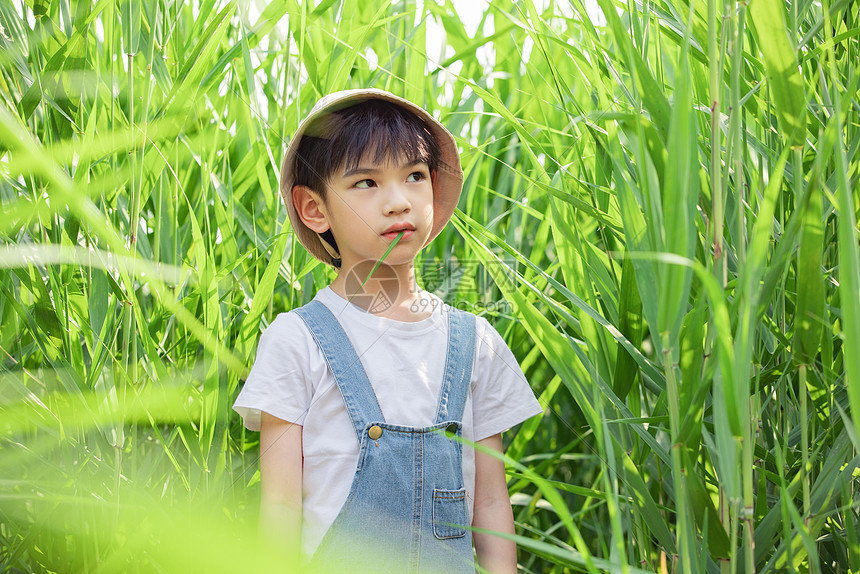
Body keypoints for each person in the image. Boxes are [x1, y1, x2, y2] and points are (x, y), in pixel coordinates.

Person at [233, 89, 543, 573]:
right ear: (314, 209)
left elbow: (489, 505)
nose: (398, 202)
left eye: (414, 176)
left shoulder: (475, 342)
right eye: (365, 183)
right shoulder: (296, 341)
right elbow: (279, 508)